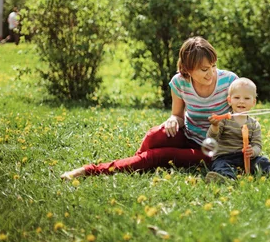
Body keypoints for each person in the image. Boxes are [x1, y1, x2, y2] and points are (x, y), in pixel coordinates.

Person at [60, 36, 238, 179]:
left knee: (157, 156)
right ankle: (137, 161)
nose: (211, 73)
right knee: (154, 135)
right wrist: (172, 120)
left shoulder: (229, 81)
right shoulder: (179, 82)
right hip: (188, 136)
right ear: (187, 69)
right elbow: (177, 116)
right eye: (204, 69)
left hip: (211, 148)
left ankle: (91, 170)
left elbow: (243, 115)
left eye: (213, 66)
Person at [205, 77, 270, 183]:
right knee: (221, 165)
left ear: (253, 102)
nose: (241, 101)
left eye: (246, 98)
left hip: (247, 158)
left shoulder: (254, 124)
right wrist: (215, 126)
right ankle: (226, 178)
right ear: (229, 100)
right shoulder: (223, 121)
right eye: (237, 97)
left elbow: (257, 145)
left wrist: (253, 151)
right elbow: (211, 139)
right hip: (224, 157)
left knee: (262, 161)